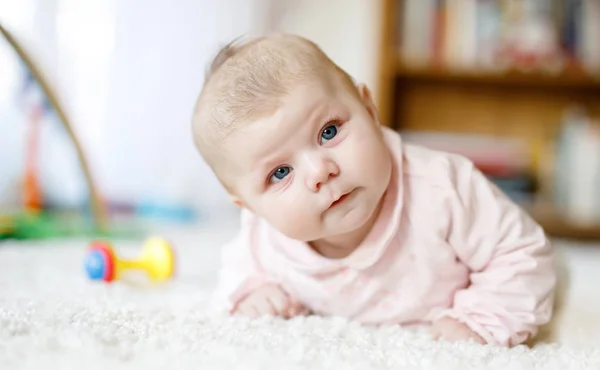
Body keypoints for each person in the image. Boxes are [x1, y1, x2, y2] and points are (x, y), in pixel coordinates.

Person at [191, 34, 556, 347]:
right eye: (281, 172)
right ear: (249, 207)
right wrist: (253, 296)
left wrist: (479, 320)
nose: (320, 171)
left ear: (368, 108)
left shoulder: (440, 187)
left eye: (329, 132)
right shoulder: (261, 236)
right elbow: (235, 278)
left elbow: (521, 254)